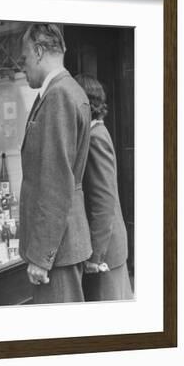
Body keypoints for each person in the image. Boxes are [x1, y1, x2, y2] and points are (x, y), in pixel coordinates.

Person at [18, 23, 92, 304]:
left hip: (57, 250)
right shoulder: (67, 90)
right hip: (62, 244)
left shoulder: (58, 95)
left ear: (38, 52)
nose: (22, 67)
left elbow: (55, 181)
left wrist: (41, 257)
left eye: (24, 59)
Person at [75, 74, 133, 301]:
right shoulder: (94, 133)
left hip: (105, 253)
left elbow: (104, 201)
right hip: (107, 249)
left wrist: (95, 256)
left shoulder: (95, 137)